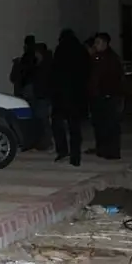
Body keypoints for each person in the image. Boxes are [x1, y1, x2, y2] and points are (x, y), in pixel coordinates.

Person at [50, 29, 90, 166]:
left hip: (61, 96)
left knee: (58, 125)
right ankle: (75, 156)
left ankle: (62, 151)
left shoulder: (60, 50)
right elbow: (86, 72)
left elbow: (54, 73)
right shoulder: (81, 51)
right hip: (76, 96)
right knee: (75, 128)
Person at [89, 32, 125, 160]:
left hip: (108, 95)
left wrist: (109, 93)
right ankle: (103, 148)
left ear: (105, 44)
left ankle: (112, 150)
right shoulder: (97, 57)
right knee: (100, 124)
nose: (95, 45)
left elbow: (113, 78)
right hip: (98, 96)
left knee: (110, 124)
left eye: (98, 42)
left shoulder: (111, 58)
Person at [31, 42, 53, 150]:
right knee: (42, 120)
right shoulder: (44, 63)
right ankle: (44, 141)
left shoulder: (44, 65)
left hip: (43, 95)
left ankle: (47, 142)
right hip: (41, 94)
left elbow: (44, 81)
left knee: (43, 121)